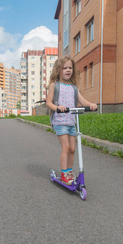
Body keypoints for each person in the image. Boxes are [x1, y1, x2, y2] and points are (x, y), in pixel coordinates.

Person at [46, 55, 97, 185]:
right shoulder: (54, 86)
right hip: (60, 121)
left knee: (73, 149)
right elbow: (48, 103)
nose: (68, 70)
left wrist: (90, 104)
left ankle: (69, 171)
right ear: (58, 70)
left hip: (71, 122)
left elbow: (82, 100)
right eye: (64, 68)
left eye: (70, 68)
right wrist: (57, 108)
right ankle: (64, 174)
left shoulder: (74, 87)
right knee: (66, 147)